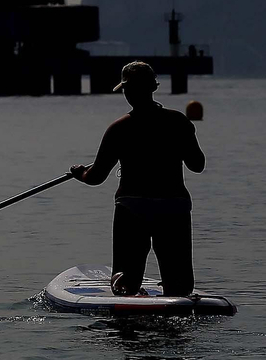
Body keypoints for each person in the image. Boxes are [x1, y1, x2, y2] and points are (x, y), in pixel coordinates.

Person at [67, 61, 205, 297]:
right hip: (174, 207)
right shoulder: (178, 122)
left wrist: (80, 173)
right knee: (180, 285)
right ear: (153, 87)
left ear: (127, 91)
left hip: (132, 209)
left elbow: (96, 177)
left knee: (124, 283)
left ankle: (129, 292)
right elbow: (198, 165)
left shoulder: (119, 129)